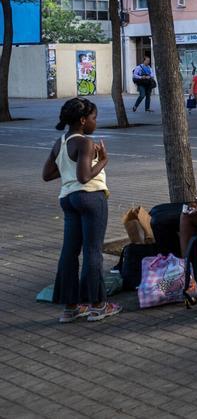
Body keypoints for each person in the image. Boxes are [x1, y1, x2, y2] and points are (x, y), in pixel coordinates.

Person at [42, 98, 120, 323]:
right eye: (94, 118)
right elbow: (84, 177)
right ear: (83, 121)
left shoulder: (60, 142)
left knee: (69, 252)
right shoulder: (85, 142)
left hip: (68, 199)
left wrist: (69, 169)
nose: (96, 123)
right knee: (92, 251)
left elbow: (47, 174)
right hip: (91, 197)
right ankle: (97, 305)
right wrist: (103, 160)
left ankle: (70, 307)